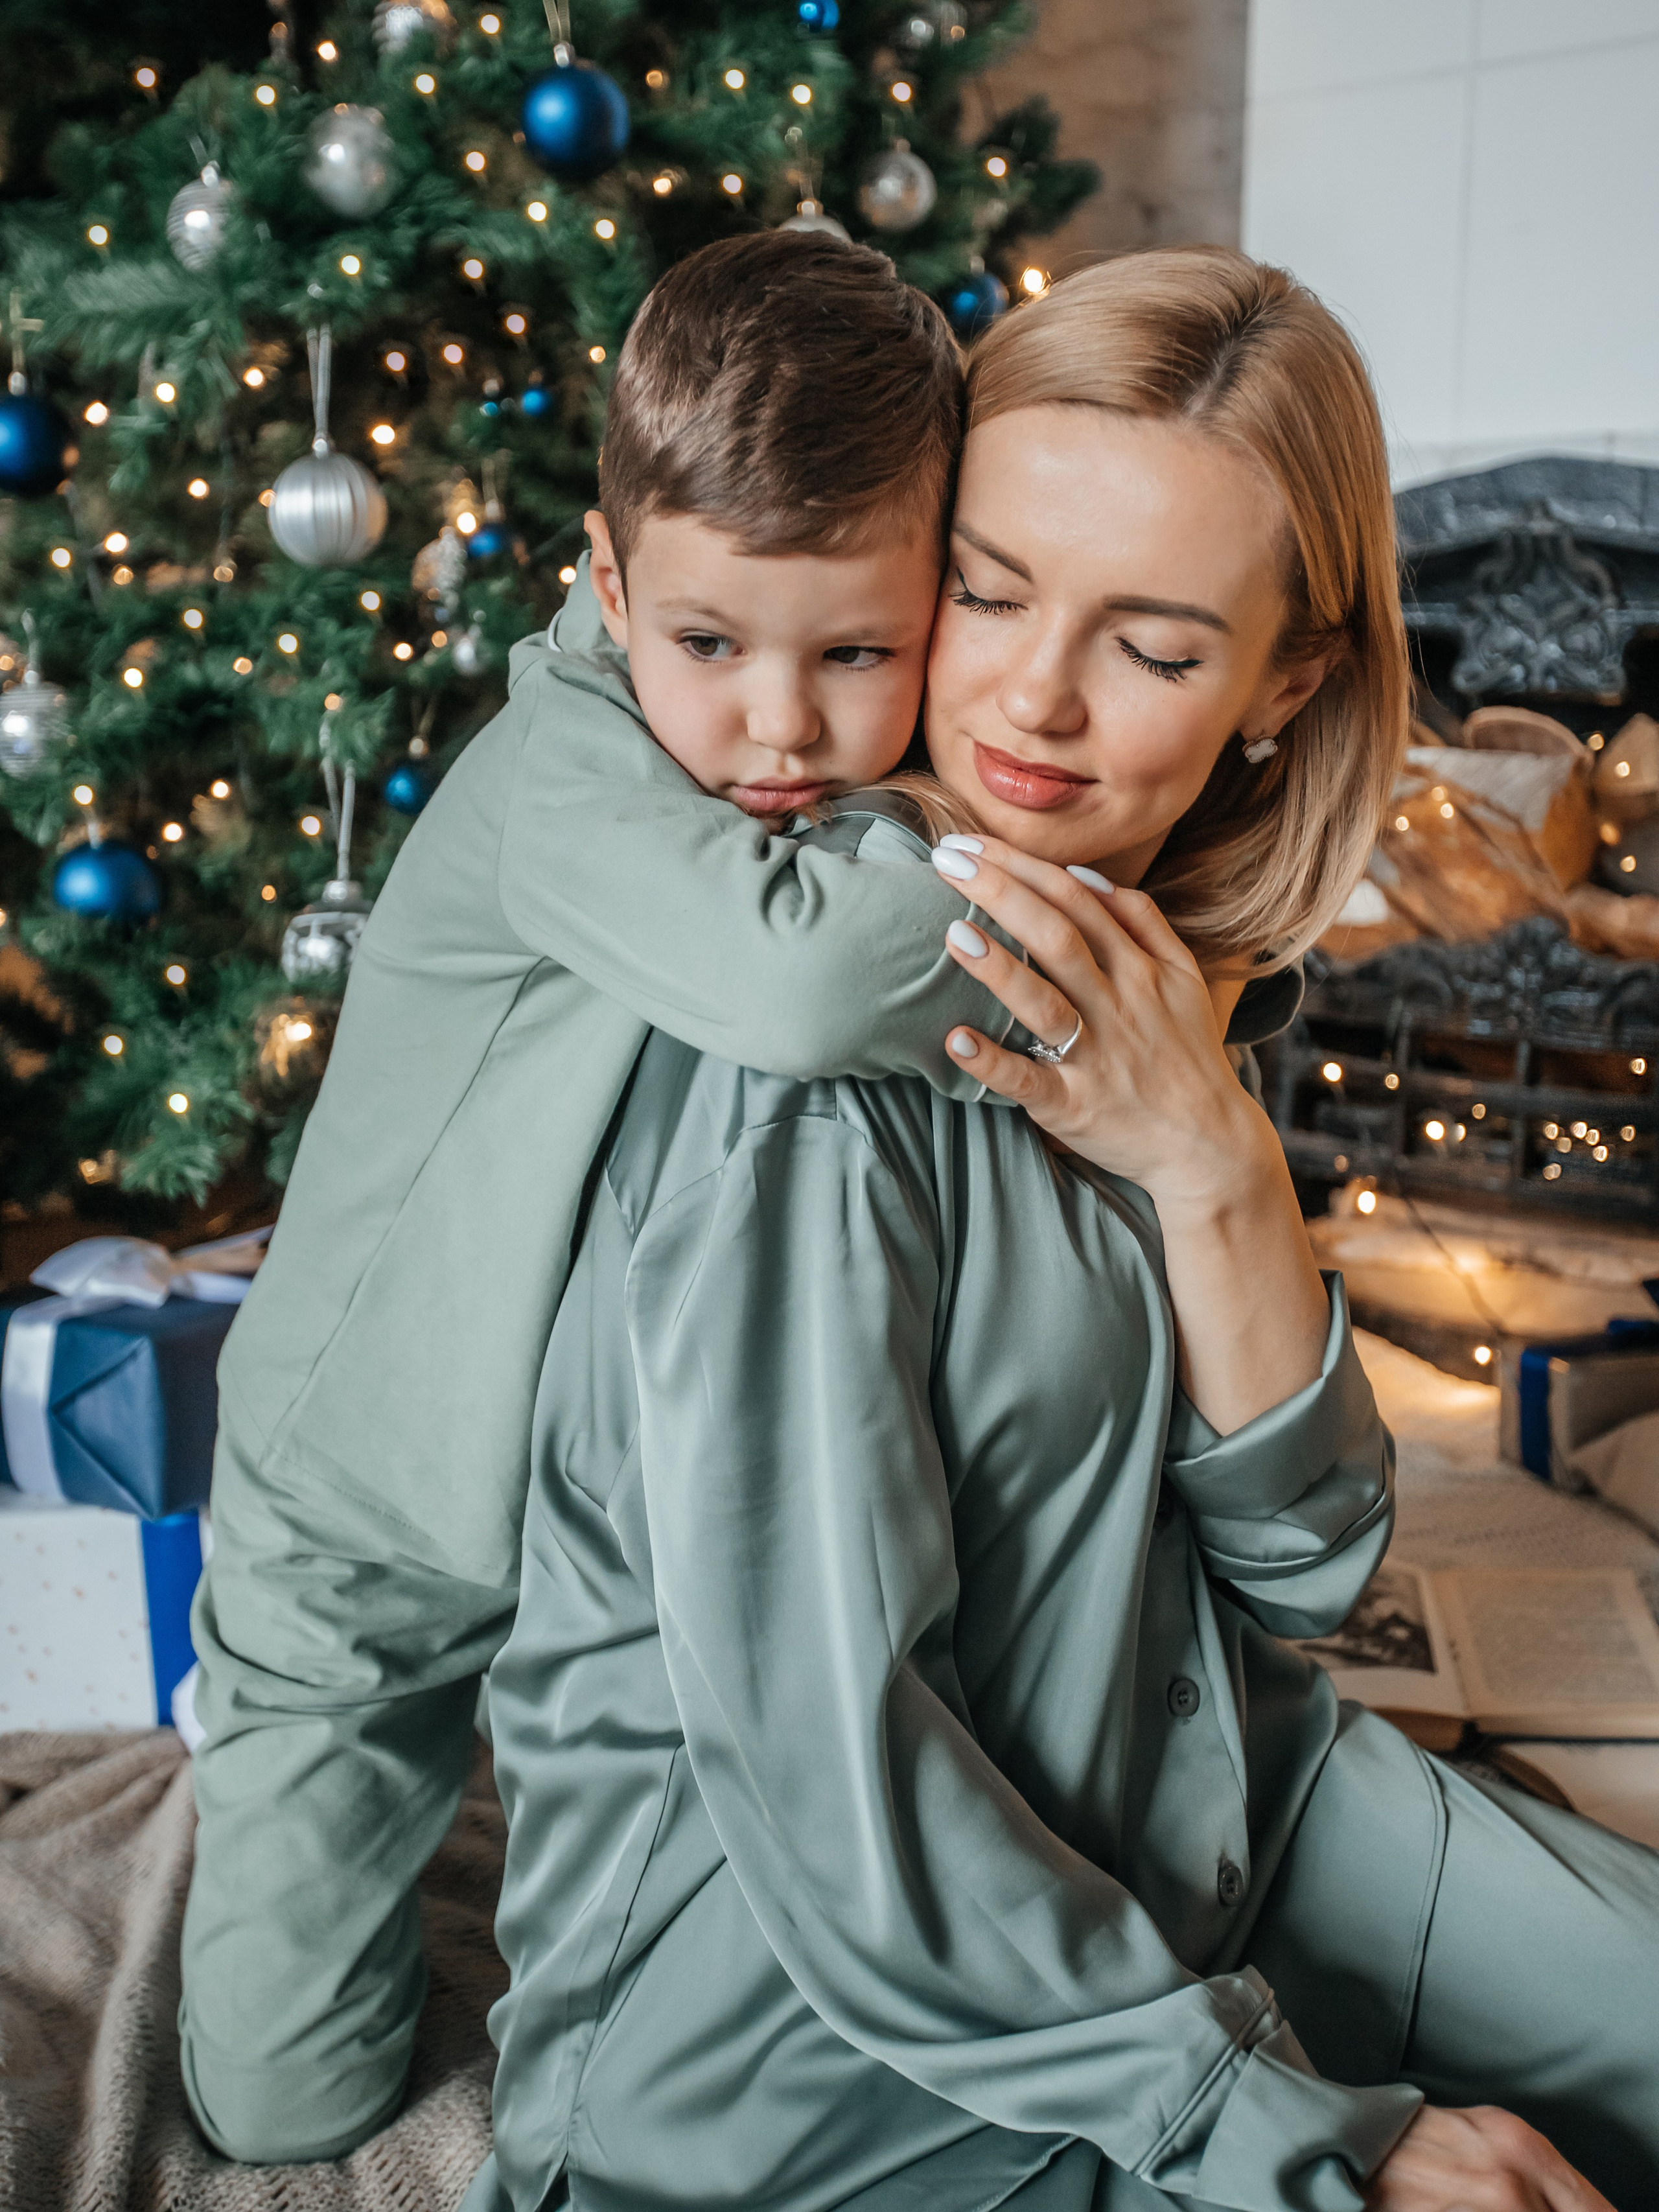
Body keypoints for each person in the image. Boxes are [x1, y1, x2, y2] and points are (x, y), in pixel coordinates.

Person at [465, 251, 1658, 2212]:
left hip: (1222, 1800)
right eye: (992, 590)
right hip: (799, 2018)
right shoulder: (824, 1062)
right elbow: (843, 1789)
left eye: (1157, 648)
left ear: (1288, 684)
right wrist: (1308, 2147)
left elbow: (1302, 1574)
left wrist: (1212, 1169)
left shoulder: (1147, 957)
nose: (1032, 696)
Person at [179, 230, 1017, 2161]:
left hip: (582, 1535)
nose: (781, 729)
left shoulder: (775, 784)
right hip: (361, 1509)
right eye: (710, 644)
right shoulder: (568, 763)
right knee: (279, 2095)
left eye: (858, 655)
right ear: (606, 580)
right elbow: (815, 982)